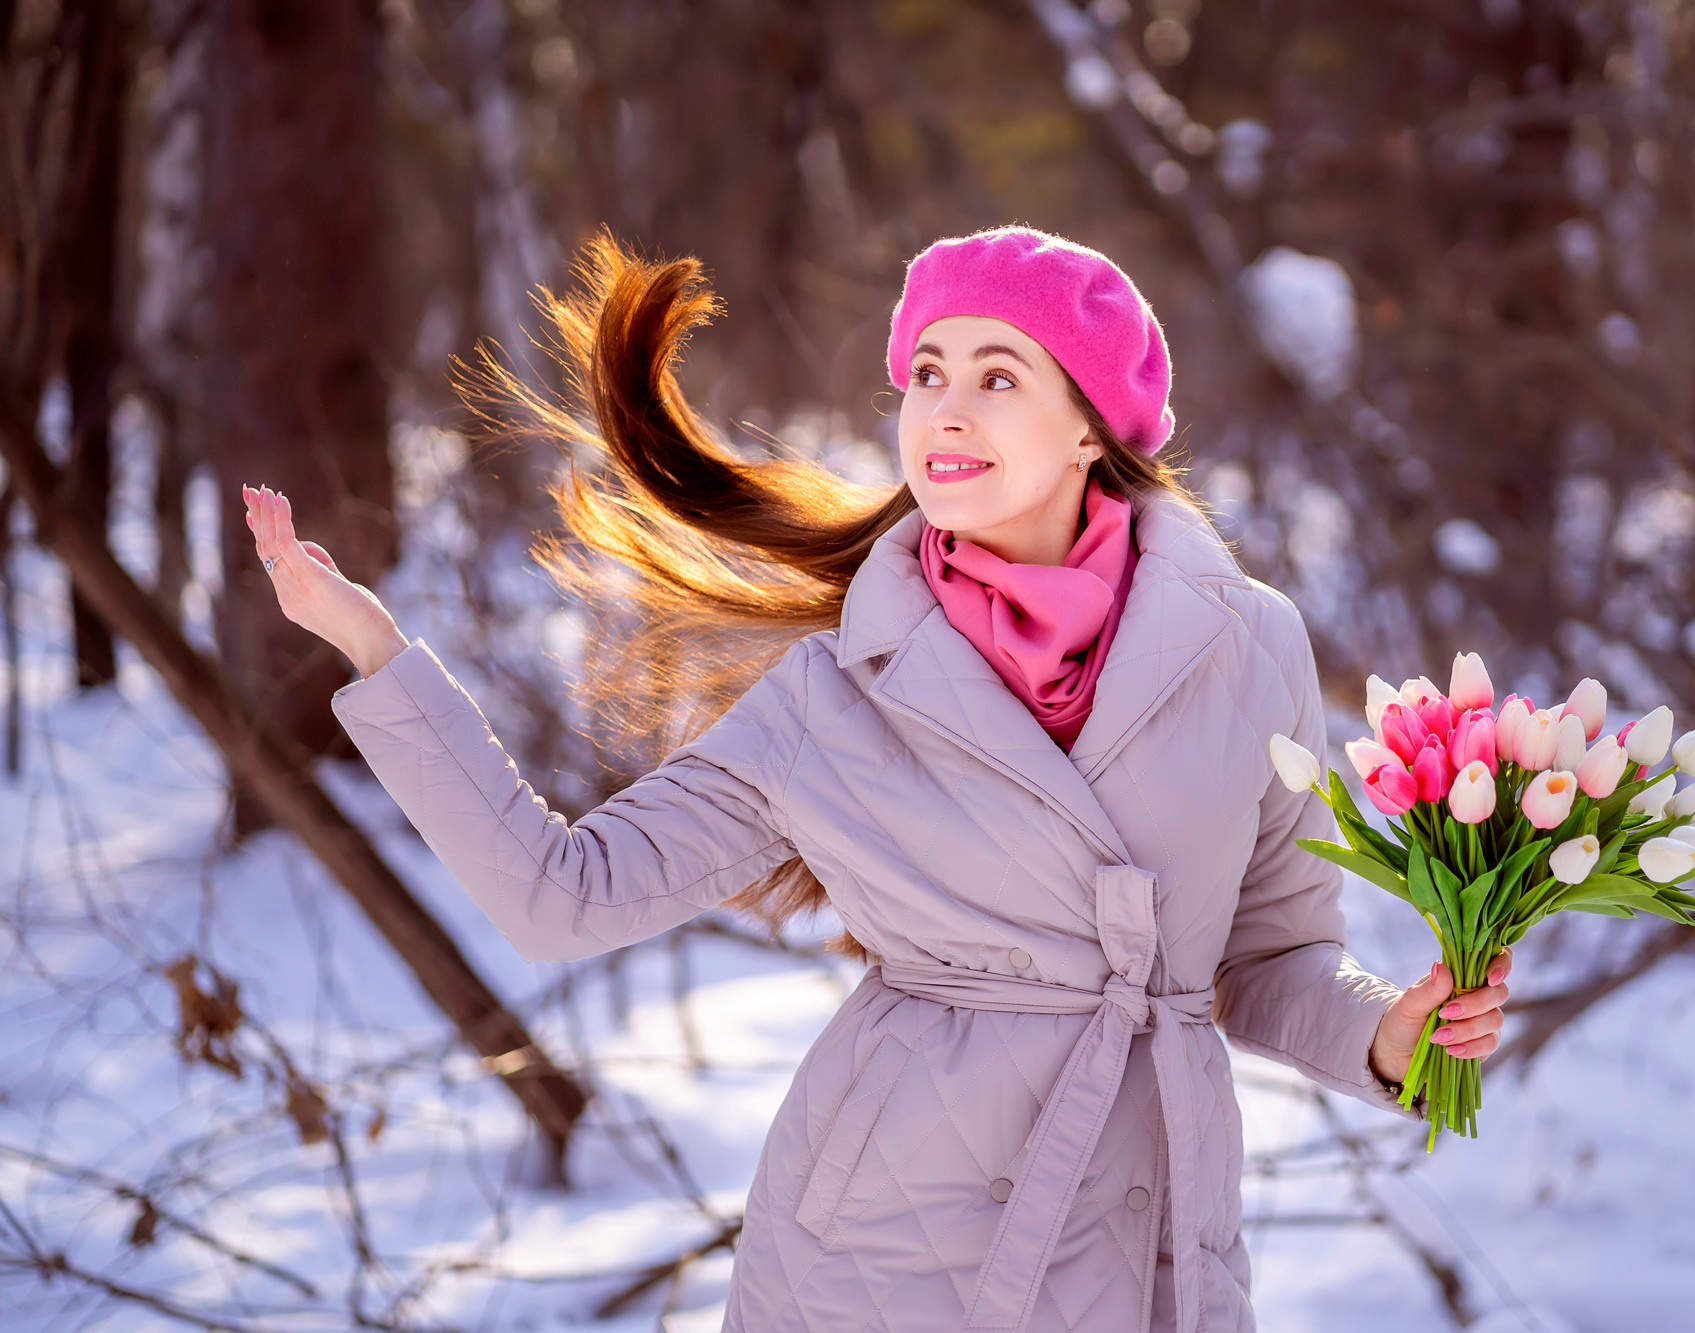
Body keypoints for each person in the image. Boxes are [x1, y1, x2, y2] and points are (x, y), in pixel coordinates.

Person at [240, 225, 1511, 1332]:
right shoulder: (831, 694)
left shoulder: (1248, 645)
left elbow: (1265, 954)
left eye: (996, 375)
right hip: (888, 1255)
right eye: (923, 374)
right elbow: (559, 895)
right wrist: (376, 655)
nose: (943, 410)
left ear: (1091, 426)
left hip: (1155, 1237)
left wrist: (1384, 1034)